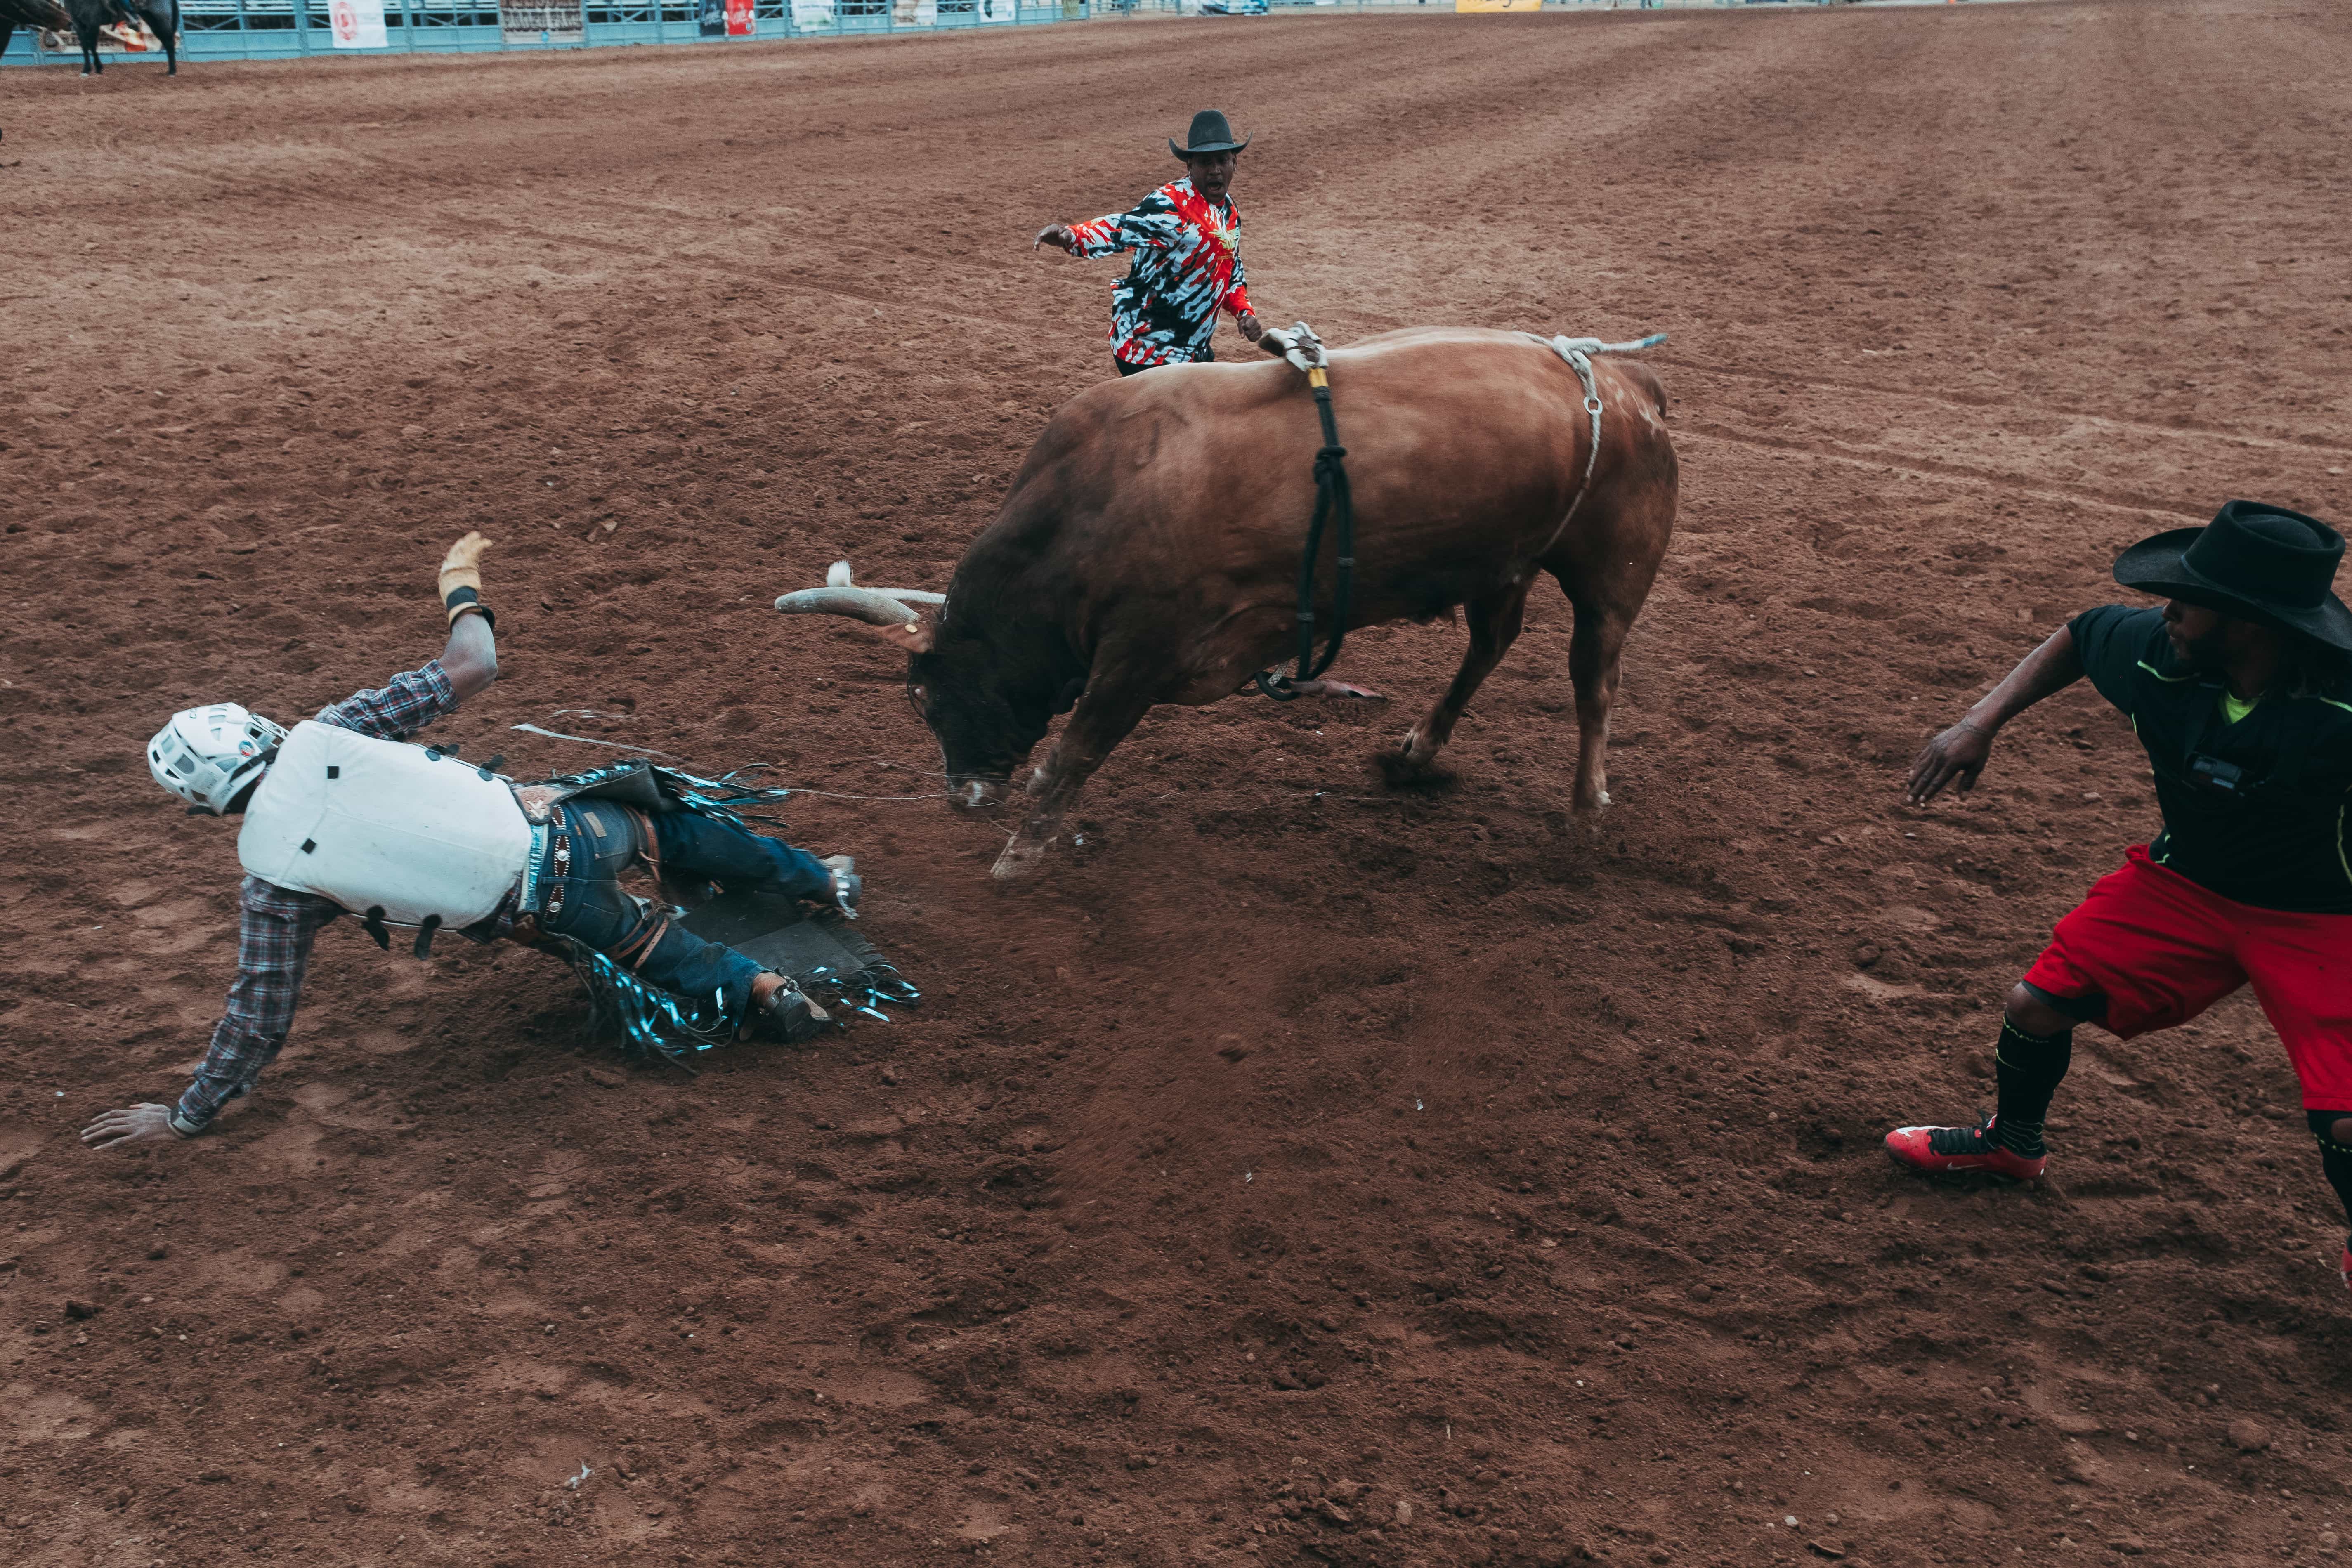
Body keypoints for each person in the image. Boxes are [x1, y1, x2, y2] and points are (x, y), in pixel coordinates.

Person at [81, 534, 860, 1152]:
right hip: (568, 827)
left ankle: (766, 993)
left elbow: (258, 1017)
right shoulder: (335, 730)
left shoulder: (273, 886)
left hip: (537, 909)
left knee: (635, 943)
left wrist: (186, 1116)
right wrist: (462, 588)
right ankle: (819, 882)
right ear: (258, 731)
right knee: (670, 829)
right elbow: (474, 663)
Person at [1888, 501, 2352, 1280]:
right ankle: (2012, 1146)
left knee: (2345, 1119)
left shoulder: (2341, 707)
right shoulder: (2157, 655)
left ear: (2246, 622)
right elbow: (2081, 632)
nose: (2166, 609)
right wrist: (1979, 723)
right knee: (2035, 1007)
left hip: (2323, 916)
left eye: (2188, 599)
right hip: (2186, 886)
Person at [1033, 109, 1266, 377]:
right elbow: (1119, 228)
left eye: (1222, 160)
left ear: (1234, 163)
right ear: (1190, 167)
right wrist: (1070, 236)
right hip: (1149, 350)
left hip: (1190, 351)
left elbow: (1230, 268)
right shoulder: (1170, 205)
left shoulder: (1229, 212)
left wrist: (1244, 312)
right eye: (1205, 162)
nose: (1215, 170)